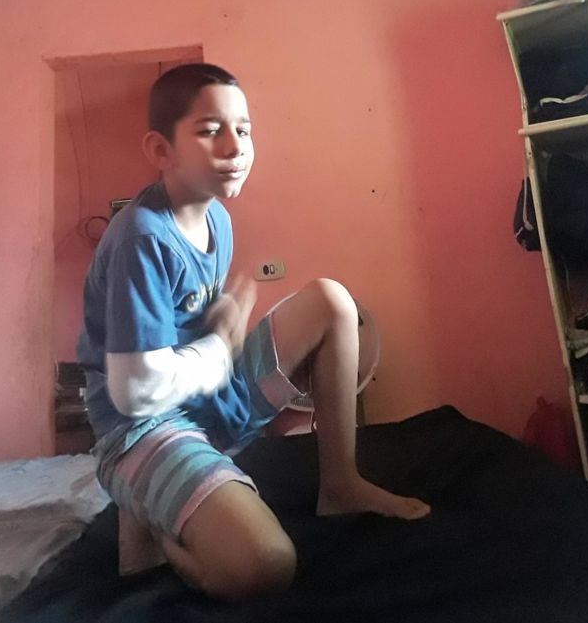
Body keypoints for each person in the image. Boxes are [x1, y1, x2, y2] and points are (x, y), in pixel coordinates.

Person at [77, 63, 430, 602]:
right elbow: (134, 391)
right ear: (160, 150)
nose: (235, 145)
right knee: (266, 564)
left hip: (204, 396)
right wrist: (220, 345)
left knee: (332, 302)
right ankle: (153, 526)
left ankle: (341, 485)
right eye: (210, 130)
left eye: (243, 129)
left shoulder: (217, 219)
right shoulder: (141, 239)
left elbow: (198, 329)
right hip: (140, 427)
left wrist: (222, 332)